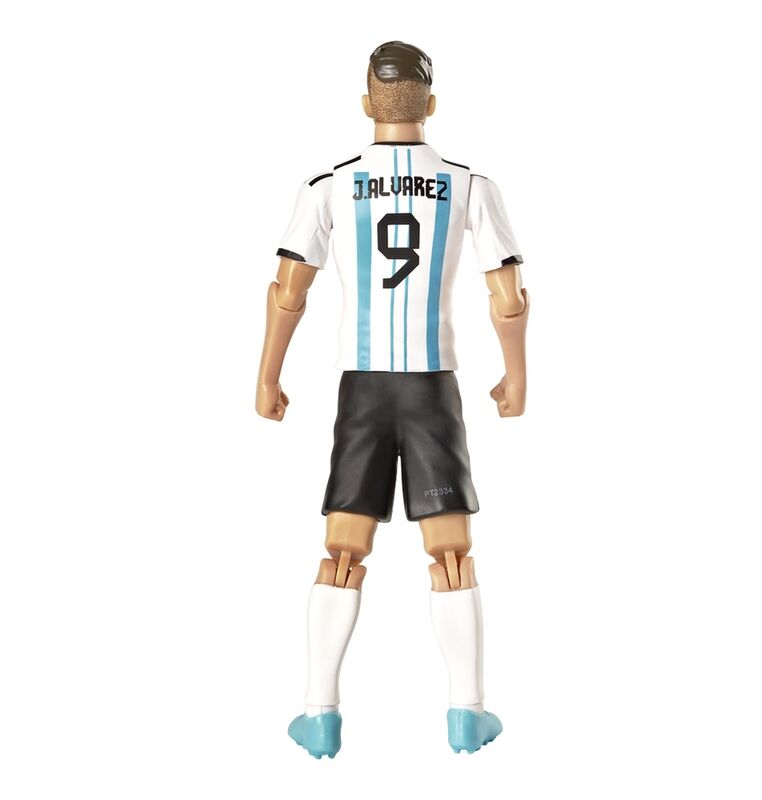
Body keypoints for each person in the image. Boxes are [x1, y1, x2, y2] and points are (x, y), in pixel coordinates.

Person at [255, 40, 529, 758]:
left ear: (365, 104)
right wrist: (516, 375)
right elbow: (508, 295)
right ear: (431, 104)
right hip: (433, 386)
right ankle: (467, 712)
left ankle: (319, 714)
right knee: (451, 549)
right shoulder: (468, 185)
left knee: (343, 546)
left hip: (364, 389)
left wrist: (267, 375)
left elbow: (287, 289)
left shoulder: (330, 186)